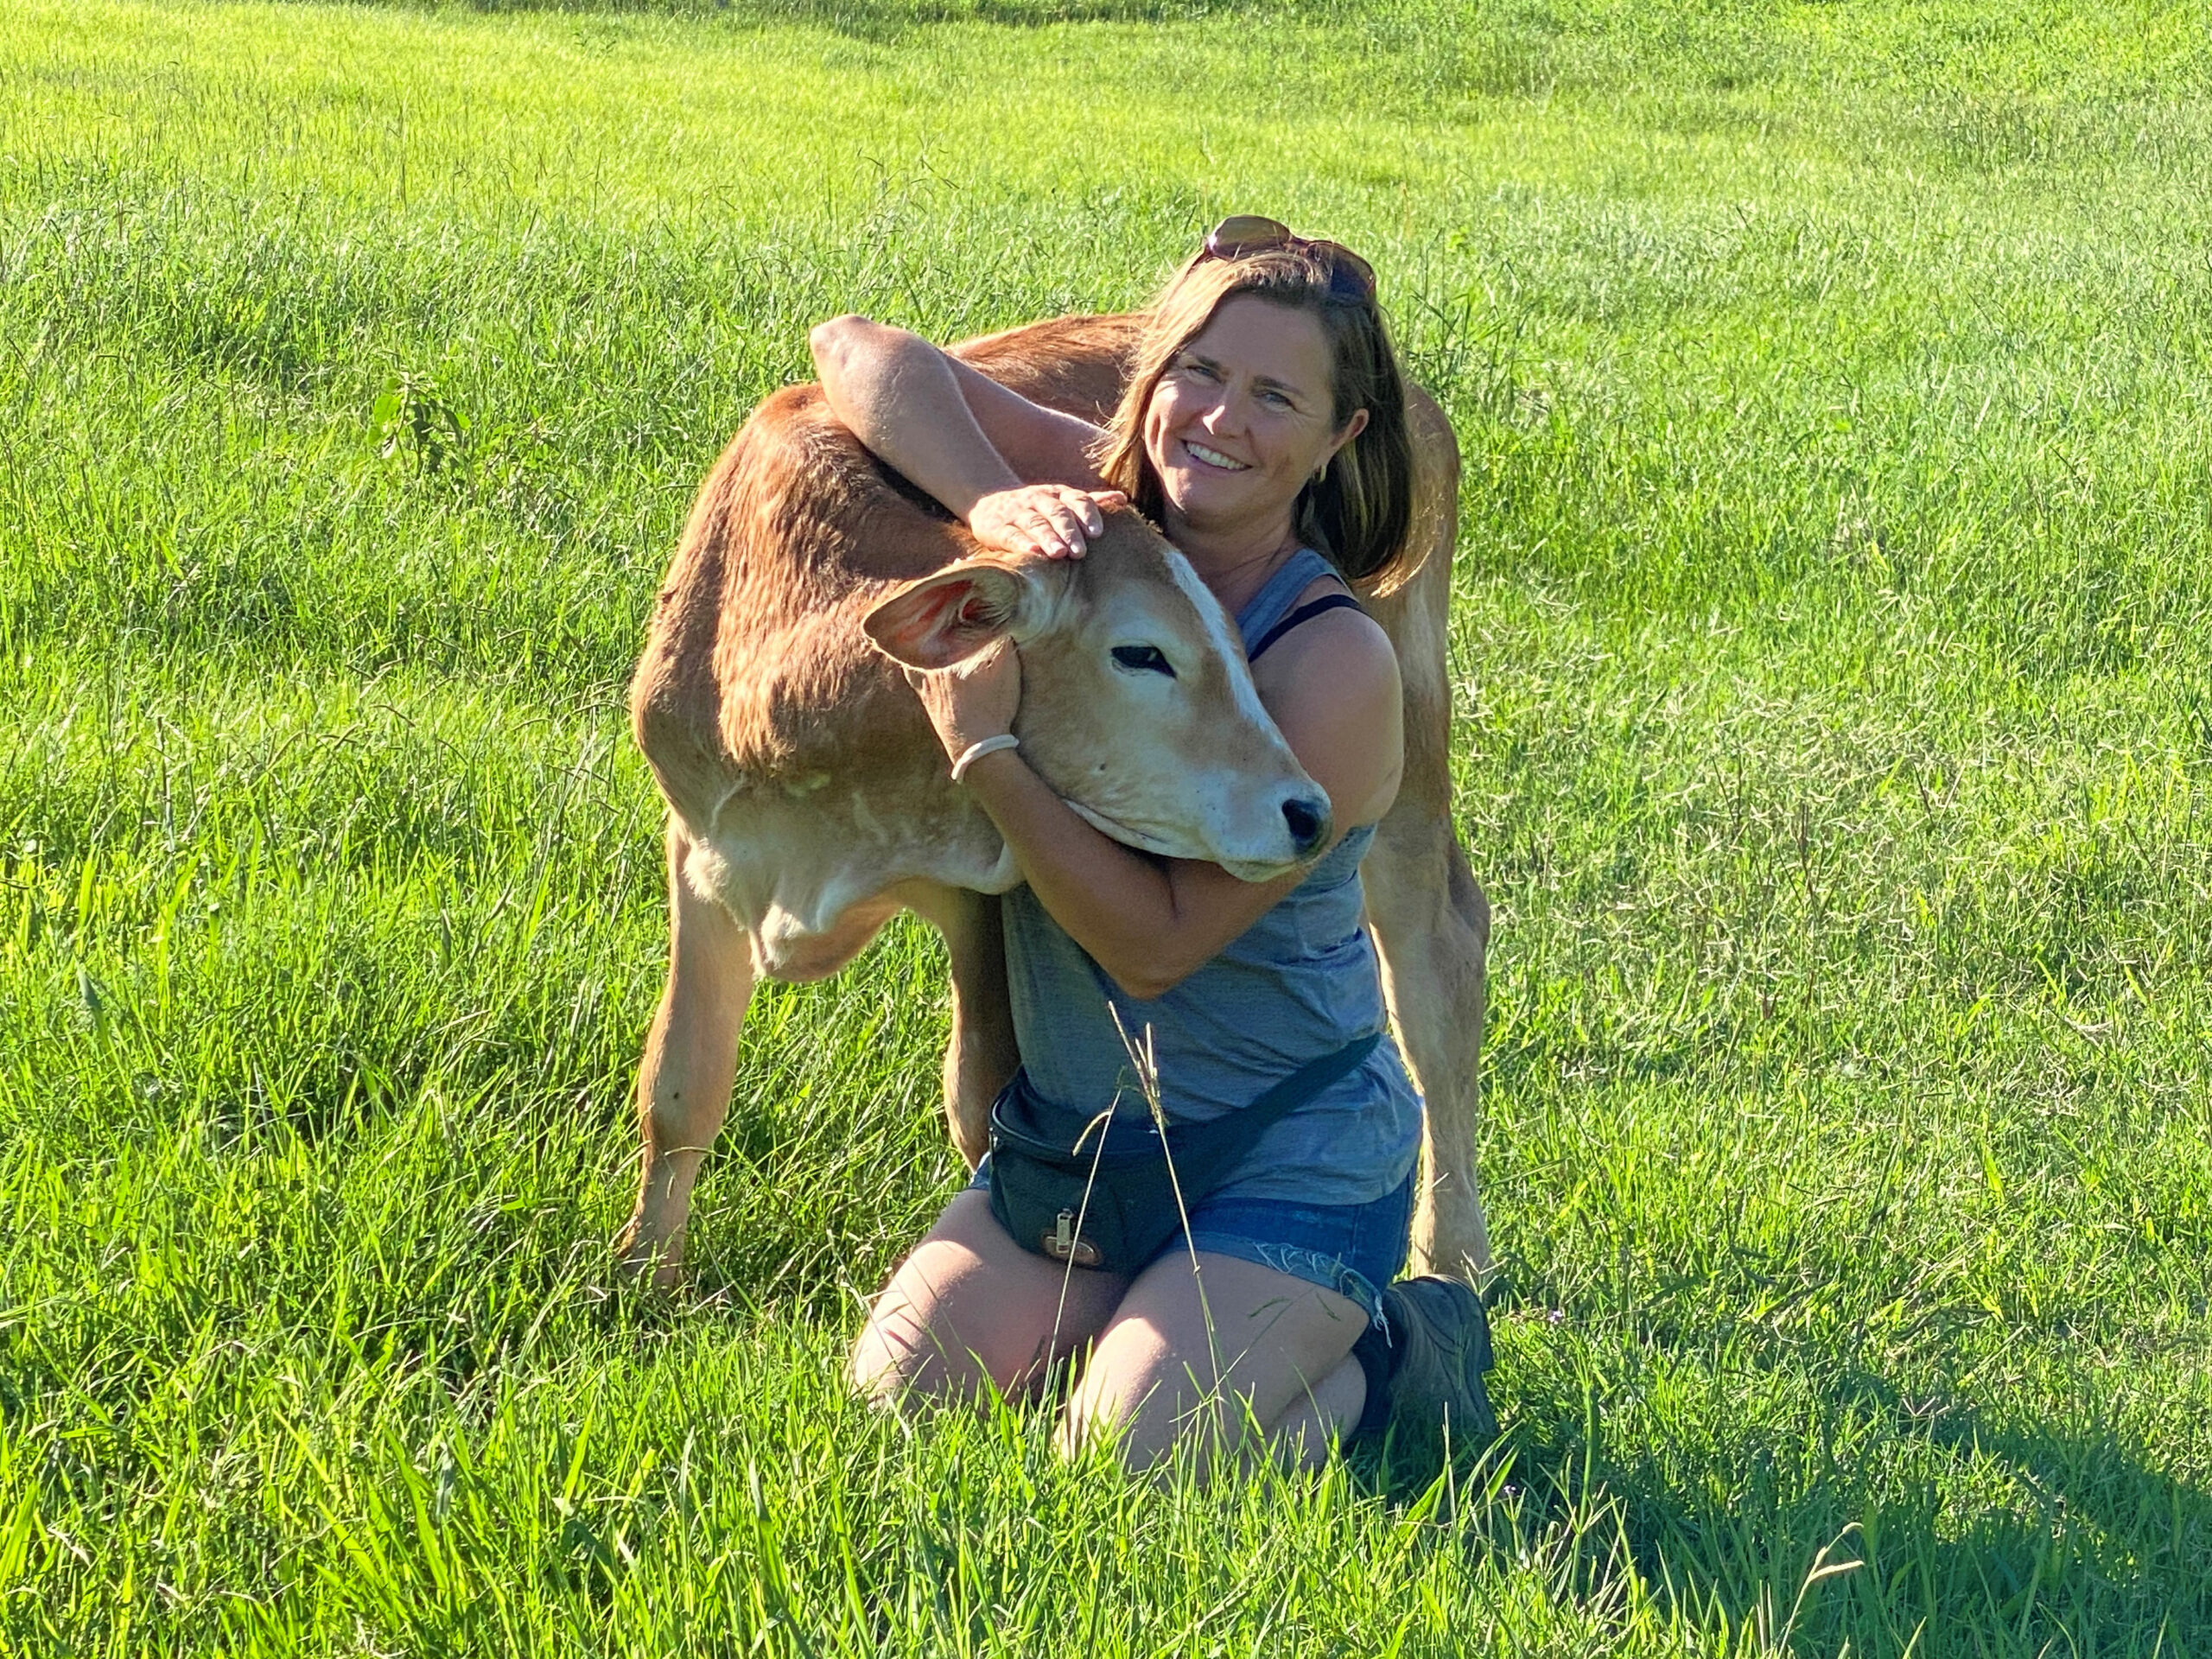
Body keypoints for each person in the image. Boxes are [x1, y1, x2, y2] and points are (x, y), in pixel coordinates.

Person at [815, 218, 1495, 1470]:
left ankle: (1392, 1360)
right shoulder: (1109, 523)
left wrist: (987, 756)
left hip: (1285, 1147)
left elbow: (1153, 949)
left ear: (1341, 437)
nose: (1220, 421)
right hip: (1082, 1145)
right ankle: (1160, 1319)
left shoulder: (1333, 661)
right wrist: (993, 495)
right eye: (1200, 372)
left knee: (1123, 1467)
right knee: (894, 1415)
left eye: (1275, 396)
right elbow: (853, 350)